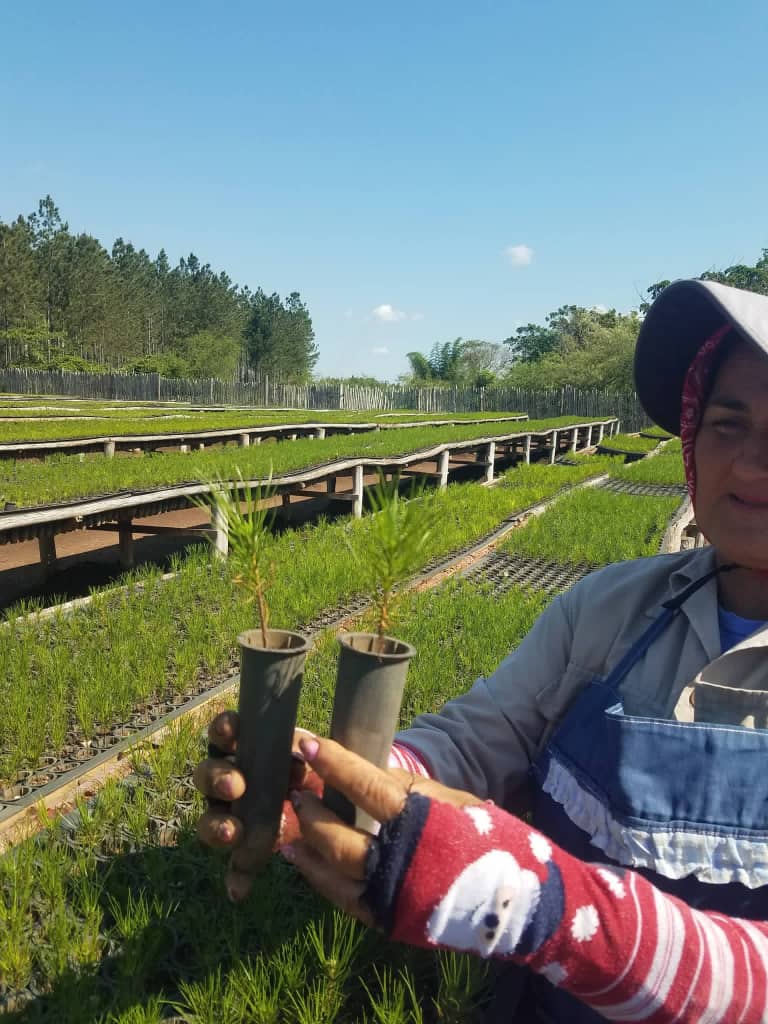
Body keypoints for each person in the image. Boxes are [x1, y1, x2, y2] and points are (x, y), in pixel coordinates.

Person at [195, 278, 768, 1022]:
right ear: (694, 439)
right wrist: (334, 778)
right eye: (729, 424)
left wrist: (549, 910)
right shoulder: (615, 607)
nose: (753, 464)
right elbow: (478, 734)